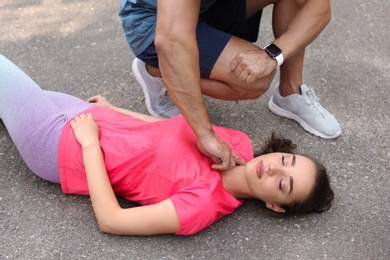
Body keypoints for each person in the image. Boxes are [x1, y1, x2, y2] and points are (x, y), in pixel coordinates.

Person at [0, 54, 334, 236]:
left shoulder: (203, 205)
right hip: (88, 116)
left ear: (275, 206)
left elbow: (112, 220)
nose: (274, 166)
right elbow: (170, 128)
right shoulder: (237, 143)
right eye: (287, 160)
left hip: (60, 147)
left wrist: (89, 145)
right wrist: (114, 110)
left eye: (283, 183)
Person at [119, 0, 342, 173]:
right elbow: (171, 39)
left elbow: (319, 6)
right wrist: (205, 135)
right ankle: (157, 71)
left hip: (209, 7)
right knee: (253, 82)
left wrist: (273, 55)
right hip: (155, 21)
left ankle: (290, 93)